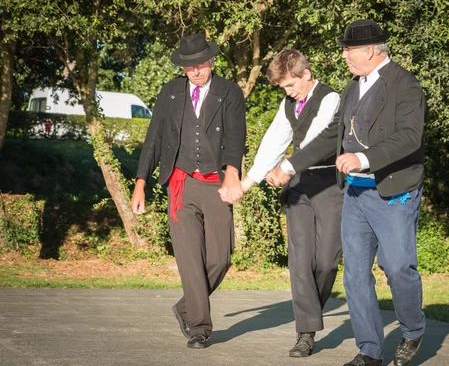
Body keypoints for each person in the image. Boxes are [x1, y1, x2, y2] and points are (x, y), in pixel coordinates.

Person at [267, 19, 426, 366]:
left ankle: (413, 330)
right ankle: (369, 350)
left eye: (348, 49)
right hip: (355, 195)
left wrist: (363, 158)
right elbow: (330, 136)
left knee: (397, 268)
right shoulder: (354, 87)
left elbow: (410, 137)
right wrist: (290, 166)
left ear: (369, 51)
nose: (343, 55)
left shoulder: (406, 85)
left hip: (393, 193)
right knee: (354, 274)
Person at [130, 33, 246, 348]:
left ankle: (185, 307)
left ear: (210, 61)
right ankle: (199, 327)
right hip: (180, 184)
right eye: (189, 65)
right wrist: (140, 182)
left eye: (200, 63)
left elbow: (236, 137)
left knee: (220, 258)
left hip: (217, 184)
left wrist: (233, 173)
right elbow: (153, 139)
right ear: (183, 67)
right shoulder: (170, 94)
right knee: (189, 259)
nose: (195, 70)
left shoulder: (230, 92)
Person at [238, 49, 343, 357]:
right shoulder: (288, 105)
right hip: (298, 188)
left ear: (306, 74)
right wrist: (248, 182)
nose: (287, 93)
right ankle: (305, 333)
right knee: (300, 260)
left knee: (326, 261)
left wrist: (285, 168)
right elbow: (275, 140)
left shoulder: (331, 98)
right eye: (283, 88)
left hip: (329, 185)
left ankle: (311, 313)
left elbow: (314, 140)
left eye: (290, 86)